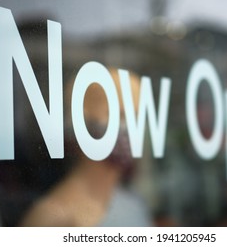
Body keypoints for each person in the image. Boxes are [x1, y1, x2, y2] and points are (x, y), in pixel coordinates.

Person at [20, 68, 152, 226]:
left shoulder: (133, 205)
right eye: (120, 115)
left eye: (136, 117)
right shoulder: (53, 217)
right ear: (83, 123)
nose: (131, 128)